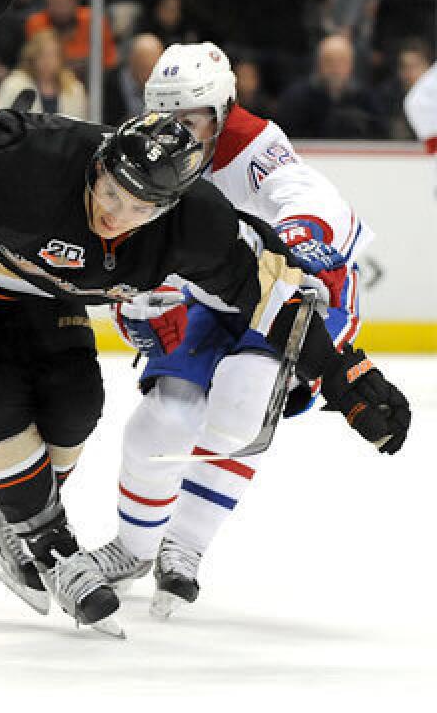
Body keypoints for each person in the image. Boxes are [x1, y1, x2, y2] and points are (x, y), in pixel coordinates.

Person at [0, 94, 410, 635]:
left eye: (140, 208)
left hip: (31, 288)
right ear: (99, 166)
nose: (116, 216)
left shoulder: (193, 225)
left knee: (75, 403)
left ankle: (12, 514)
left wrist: (345, 375)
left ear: (169, 207)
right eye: (111, 192)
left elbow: (274, 289)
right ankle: (51, 546)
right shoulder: (30, 165)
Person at [82, 42, 381, 617]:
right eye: (166, 118)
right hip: (217, 289)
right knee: (163, 418)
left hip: (289, 288)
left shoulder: (254, 145)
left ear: (221, 112)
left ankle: (186, 547)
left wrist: (299, 232)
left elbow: (306, 195)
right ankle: (133, 547)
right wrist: (137, 304)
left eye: (191, 119)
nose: (179, 133)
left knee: (243, 400)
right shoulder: (151, 153)